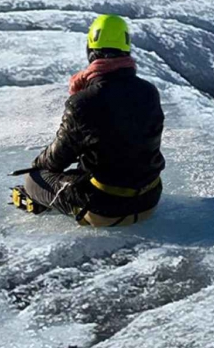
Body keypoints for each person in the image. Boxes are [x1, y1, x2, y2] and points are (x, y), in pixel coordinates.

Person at [10, 13, 166, 225]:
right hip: (149, 200)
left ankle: (47, 201)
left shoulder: (83, 102)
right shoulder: (149, 92)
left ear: (91, 51)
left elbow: (56, 160)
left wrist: (37, 168)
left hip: (106, 208)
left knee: (34, 180)